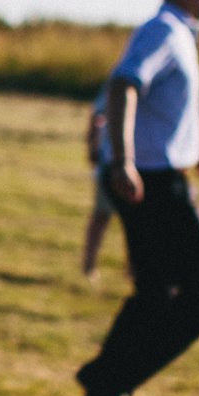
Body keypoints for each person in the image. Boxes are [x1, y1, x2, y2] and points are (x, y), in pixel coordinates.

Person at [75, 0, 199, 396]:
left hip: (160, 172)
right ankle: (110, 379)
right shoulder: (163, 30)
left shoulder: (178, 33)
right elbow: (124, 87)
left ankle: (104, 384)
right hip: (151, 182)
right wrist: (121, 161)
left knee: (156, 293)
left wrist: (194, 148)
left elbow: (161, 106)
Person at [77, 89, 113, 280]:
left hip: (144, 166)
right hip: (111, 164)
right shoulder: (119, 80)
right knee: (101, 215)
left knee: (137, 226)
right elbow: (97, 115)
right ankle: (89, 264)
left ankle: (134, 271)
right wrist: (92, 145)